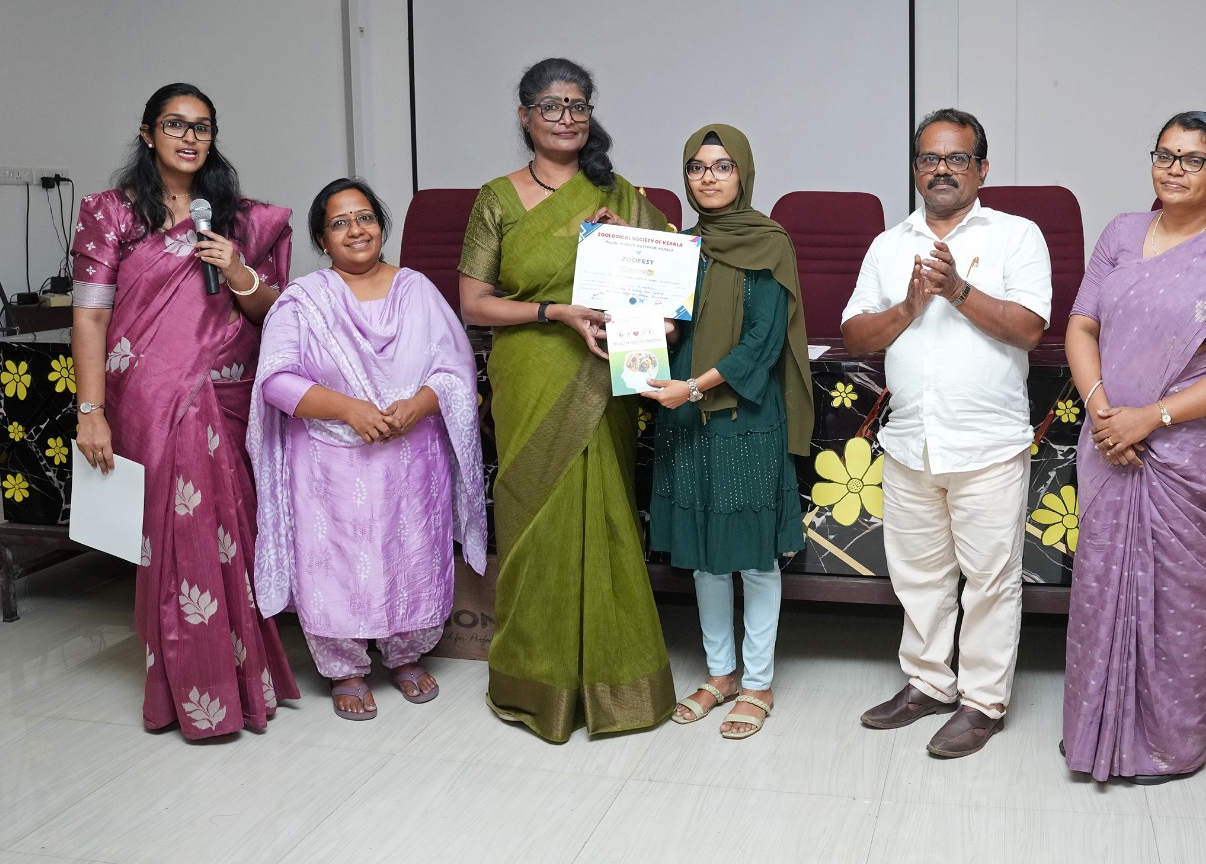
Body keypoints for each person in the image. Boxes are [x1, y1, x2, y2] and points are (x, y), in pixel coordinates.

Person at [1061, 111, 1206, 783]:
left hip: (1188, 456)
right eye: (1165, 155)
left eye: (1194, 160)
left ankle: (1169, 745)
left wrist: (1151, 419)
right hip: (1109, 441)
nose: (1174, 169)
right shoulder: (1121, 233)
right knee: (1100, 588)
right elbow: (1081, 325)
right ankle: (1091, 733)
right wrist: (1106, 414)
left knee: (1180, 600)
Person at [71, 83, 300, 739]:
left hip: (226, 393)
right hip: (151, 397)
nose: (190, 137)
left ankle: (243, 685)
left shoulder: (239, 219)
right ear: (148, 134)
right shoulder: (110, 213)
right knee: (173, 543)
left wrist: (238, 271)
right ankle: (188, 695)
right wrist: (90, 411)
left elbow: (274, 313)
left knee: (233, 537)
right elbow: (90, 316)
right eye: (175, 124)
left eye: (202, 126)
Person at [458, 57, 676, 742]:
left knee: (606, 517)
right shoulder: (496, 199)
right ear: (525, 115)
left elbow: (671, 284)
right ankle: (535, 683)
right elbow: (474, 303)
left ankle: (619, 687)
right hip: (531, 371)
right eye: (551, 106)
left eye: (578, 106)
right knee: (534, 522)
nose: (566, 118)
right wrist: (556, 312)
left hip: (602, 375)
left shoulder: (621, 196)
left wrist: (628, 246)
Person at [843, 108, 1051, 758]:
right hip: (911, 441)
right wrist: (909, 307)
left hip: (988, 443)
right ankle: (928, 683)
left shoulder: (1017, 235)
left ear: (981, 168)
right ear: (915, 169)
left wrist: (958, 290)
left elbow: (1030, 329)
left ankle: (982, 702)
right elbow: (855, 333)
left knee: (990, 581)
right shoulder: (888, 244)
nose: (941, 169)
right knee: (919, 576)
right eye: (929, 159)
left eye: (956, 158)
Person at [248, 178, 486, 721]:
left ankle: (406, 654)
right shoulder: (303, 301)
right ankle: (345, 668)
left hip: (411, 456)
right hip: (328, 463)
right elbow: (276, 381)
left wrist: (418, 405)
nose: (355, 230)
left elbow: (455, 371)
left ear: (381, 225)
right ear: (321, 239)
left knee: (411, 552)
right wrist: (348, 409)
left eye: (364, 218)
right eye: (339, 223)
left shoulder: (417, 290)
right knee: (335, 562)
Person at [645, 125, 814, 740]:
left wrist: (693, 387)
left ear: (743, 172)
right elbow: (668, 328)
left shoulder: (769, 243)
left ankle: (758, 682)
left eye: (722, 166)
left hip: (745, 418)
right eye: (696, 167)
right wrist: (622, 258)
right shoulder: (679, 247)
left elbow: (762, 345)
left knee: (755, 559)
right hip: (686, 418)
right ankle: (720, 675)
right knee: (704, 558)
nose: (708, 177)